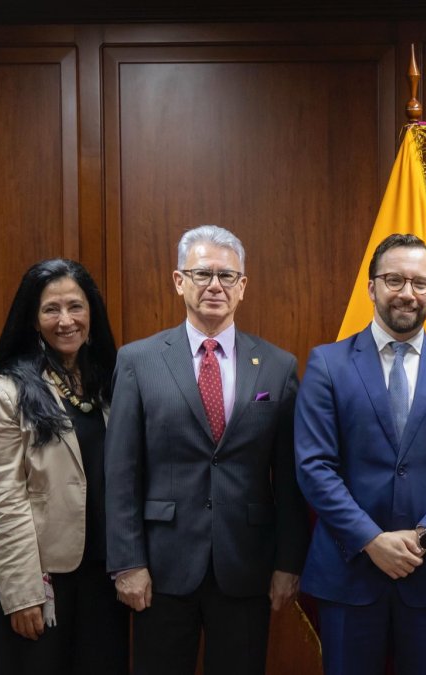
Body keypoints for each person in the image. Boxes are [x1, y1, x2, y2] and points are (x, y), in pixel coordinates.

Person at [105, 225, 308, 675]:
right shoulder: (138, 360)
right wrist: (127, 563)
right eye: (202, 274)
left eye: (227, 276)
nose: (215, 286)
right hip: (160, 568)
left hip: (247, 565)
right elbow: (120, 473)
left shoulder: (277, 366)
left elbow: (290, 478)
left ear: (243, 287)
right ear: (179, 281)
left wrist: (288, 563)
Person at [295, 233, 426, 675]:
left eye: (420, 283)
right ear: (371, 287)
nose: (408, 292)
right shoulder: (328, 364)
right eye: (394, 279)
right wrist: (371, 540)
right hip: (348, 576)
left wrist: (424, 537)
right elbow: (314, 467)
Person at [0, 259, 127, 674]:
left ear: (91, 314)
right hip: (44, 579)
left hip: (107, 575)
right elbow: (4, 502)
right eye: (51, 309)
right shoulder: (6, 393)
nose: (66, 321)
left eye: (76, 307)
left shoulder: (110, 385)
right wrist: (22, 593)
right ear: (32, 319)